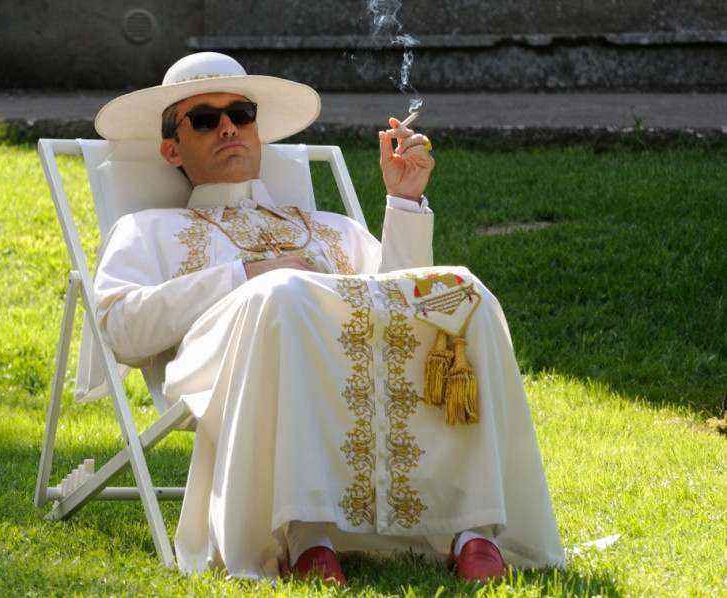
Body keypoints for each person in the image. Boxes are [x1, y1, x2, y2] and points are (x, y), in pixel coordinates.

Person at [92, 52, 564, 585]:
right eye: (204, 119)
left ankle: (472, 529)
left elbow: (401, 302)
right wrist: (246, 274)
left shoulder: (330, 226)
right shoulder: (147, 229)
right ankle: (307, 536)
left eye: (241, 114)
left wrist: (404, 201)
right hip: (225, 365)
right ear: (171, 148)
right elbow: (122, 327)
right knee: (285, 293)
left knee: (457, 291)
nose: (227, 128)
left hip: (349, 357)